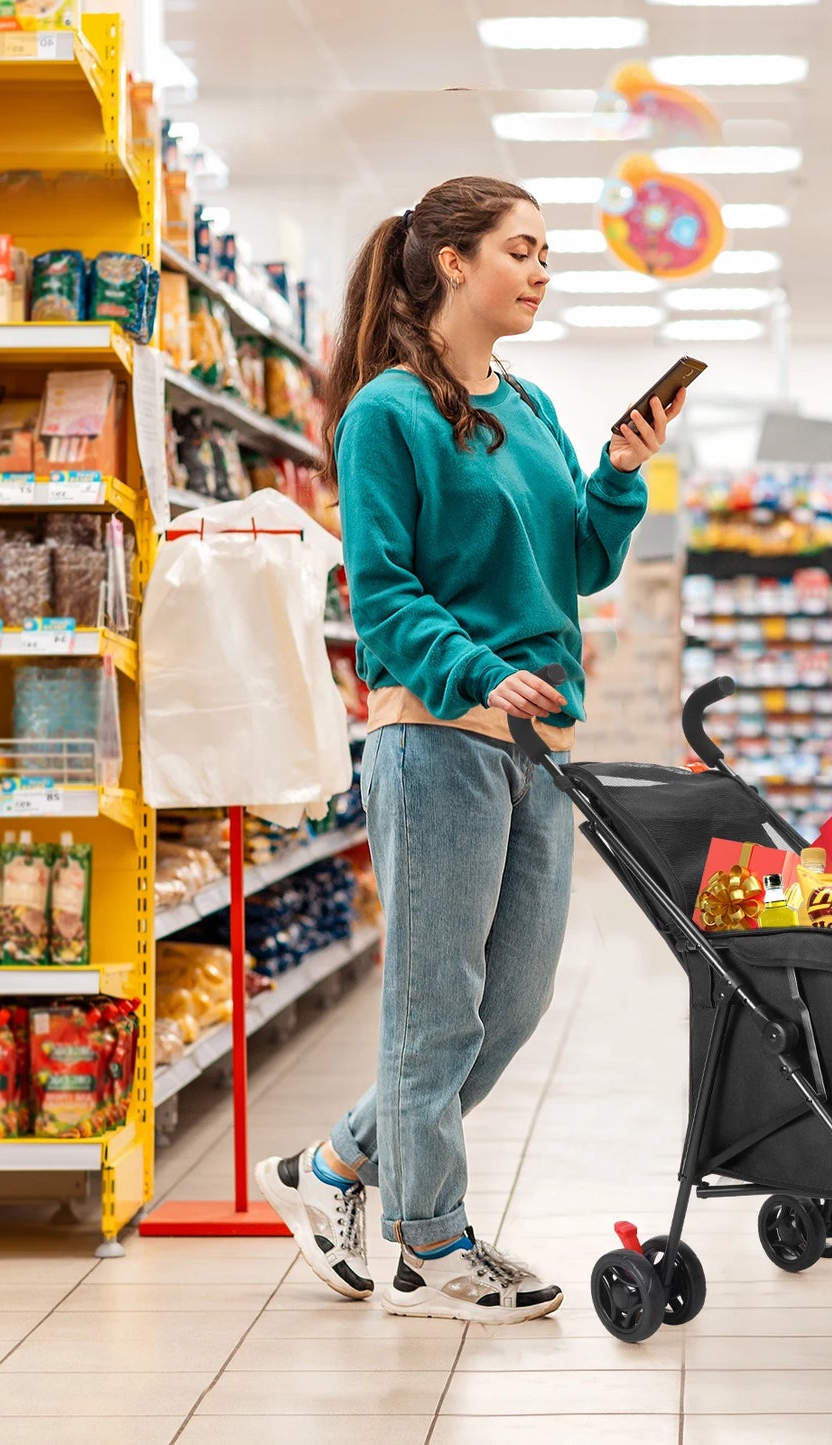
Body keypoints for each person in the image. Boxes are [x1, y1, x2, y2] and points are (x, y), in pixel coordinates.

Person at [256, 175, 683, 1323]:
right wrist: (477, 668)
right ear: (450, 262)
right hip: (439, 737)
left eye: (546, 253)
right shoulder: (386, 413)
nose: (542, 270)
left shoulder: (532, 407)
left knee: (514, 1001)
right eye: (522, 249)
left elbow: (574, 566)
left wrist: (620, 477)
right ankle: (429, 1247)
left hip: (537, 743)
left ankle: (335, 1167)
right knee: (434, 1005)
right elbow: (385, 597)